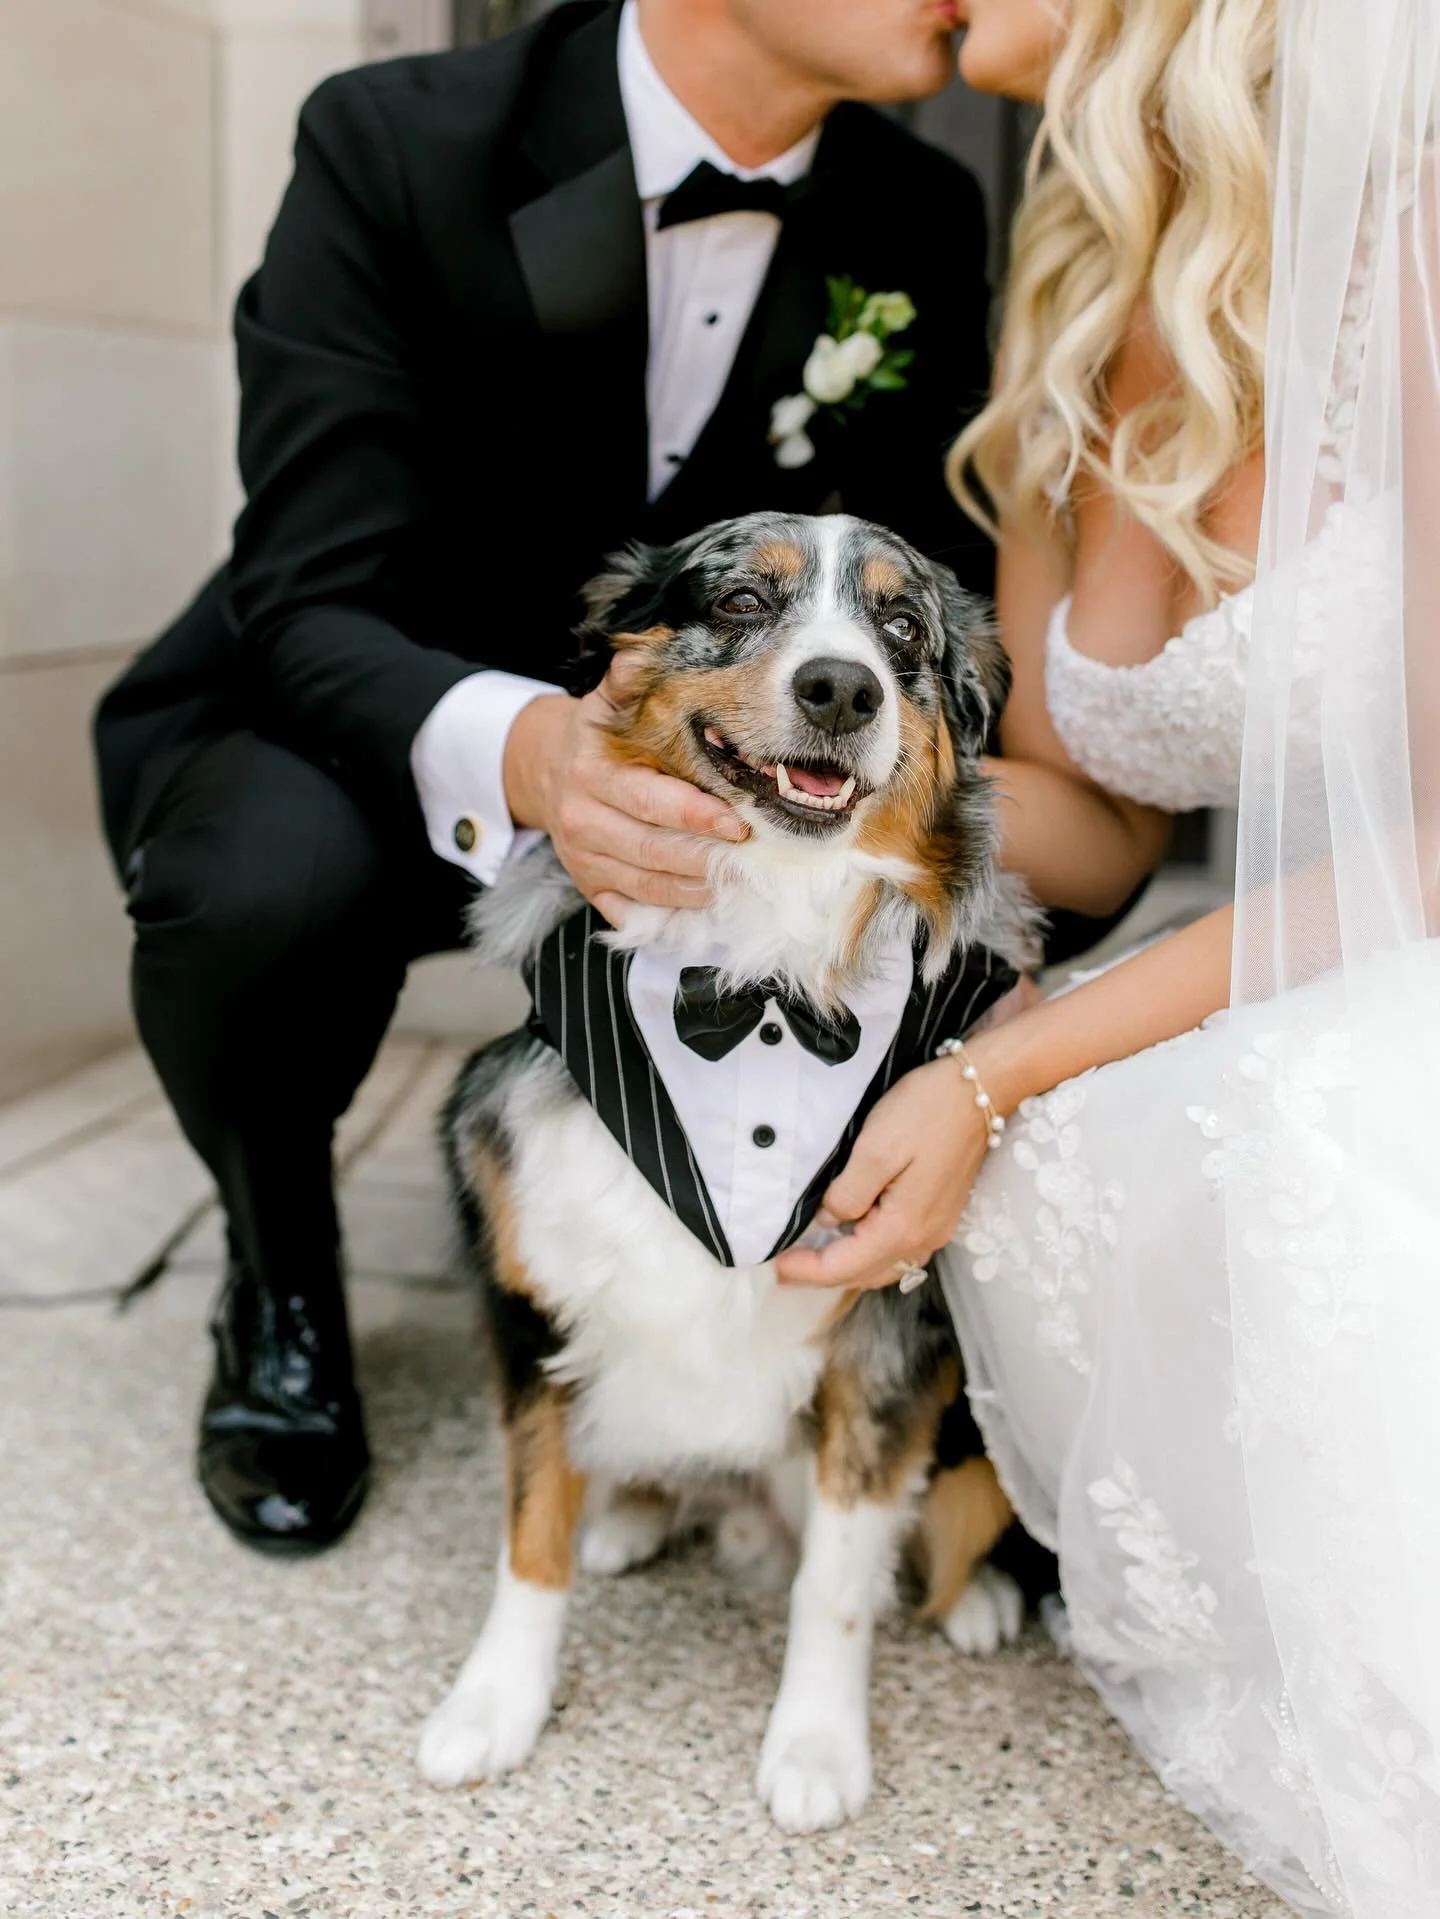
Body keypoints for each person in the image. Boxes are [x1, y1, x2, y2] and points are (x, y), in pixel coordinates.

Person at [92, 0, 1022, 1555]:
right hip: (372, 711)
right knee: (259, 887)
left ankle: (723, 1302)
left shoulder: (919, 207)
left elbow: (914, 579)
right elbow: (307, 591)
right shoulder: (391, 142)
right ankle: (279, 1279)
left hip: (705, 751)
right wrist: (530, 748)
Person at [777, 0, 1440, 1910]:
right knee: (1042, 1125)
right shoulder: (1068, 302)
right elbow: (1079, 803)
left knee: (1254, 1134)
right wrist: (813, 829)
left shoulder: (1405, 255)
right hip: (1244, 922)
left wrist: (1008, 1062)